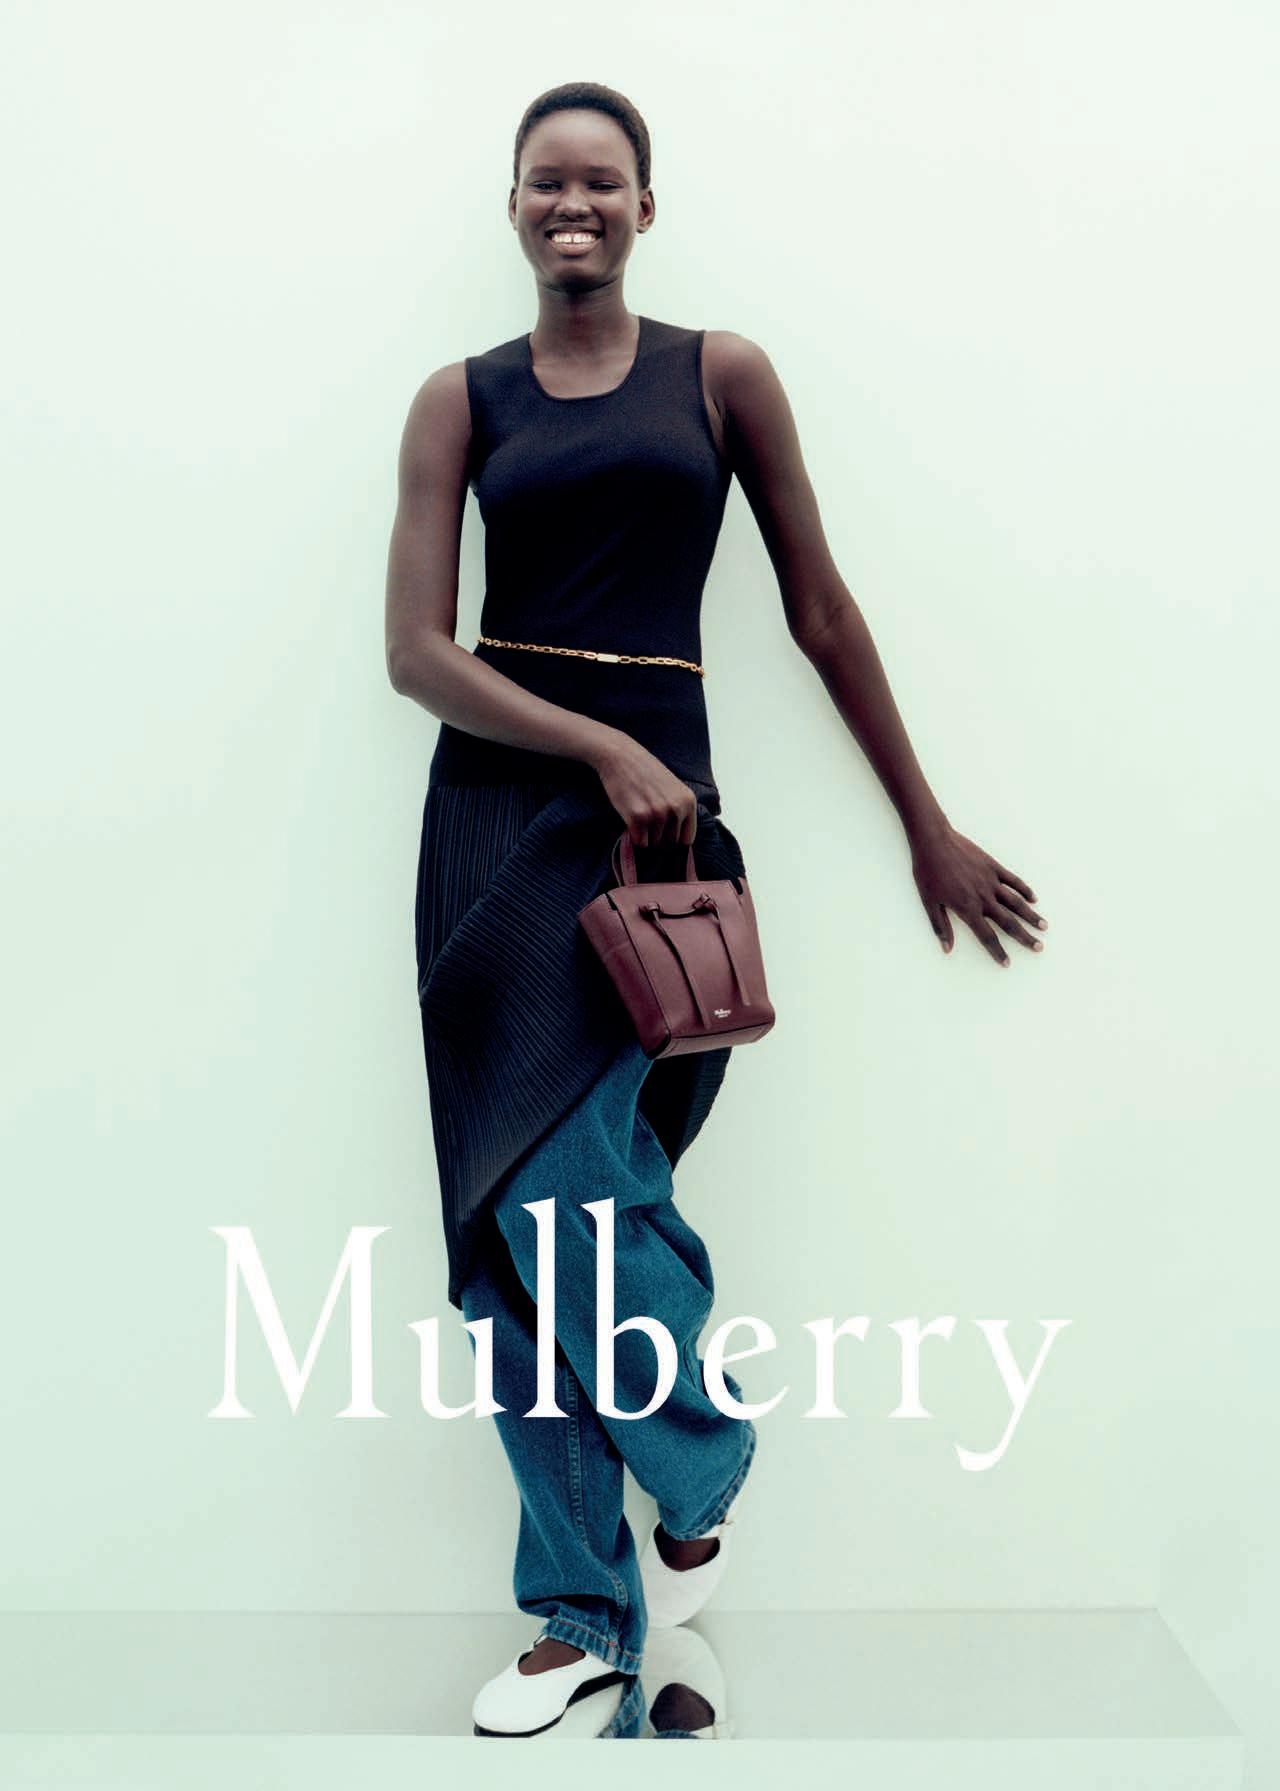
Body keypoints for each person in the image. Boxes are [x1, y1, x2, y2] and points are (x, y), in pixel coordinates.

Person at [385, 80, 1047, 1741]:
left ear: (646, 205)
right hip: (495, 833)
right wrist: (591, 742)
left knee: (587, 1194)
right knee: (512, 1238)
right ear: (513, 204)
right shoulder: (459, 401)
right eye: (546, 181)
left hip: (658, 845)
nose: (573, 204)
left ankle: (688, 1488)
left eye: (602, 180)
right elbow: (416, 652)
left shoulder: (719, 375)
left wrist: (925, 824)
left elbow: (819, 609)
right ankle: (590, 1616)